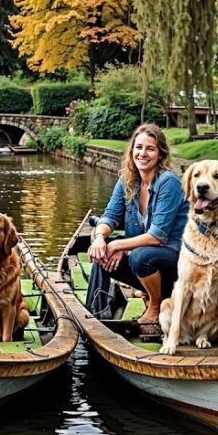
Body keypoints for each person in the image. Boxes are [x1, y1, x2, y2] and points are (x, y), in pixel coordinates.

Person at [86, 123, 189, 338]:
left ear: (160, 154)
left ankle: (155, 305)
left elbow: (157, 235)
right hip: (146, 257)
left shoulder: (168, 182)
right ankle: (95, 313)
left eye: (150, 149)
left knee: (141, 256)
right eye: (138, 147)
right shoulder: (127, 180)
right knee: (101, 253)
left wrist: (118, 244)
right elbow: (110, 217)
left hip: (177, 261)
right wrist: (100, 238)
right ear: (132, 150)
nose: (143, 153)